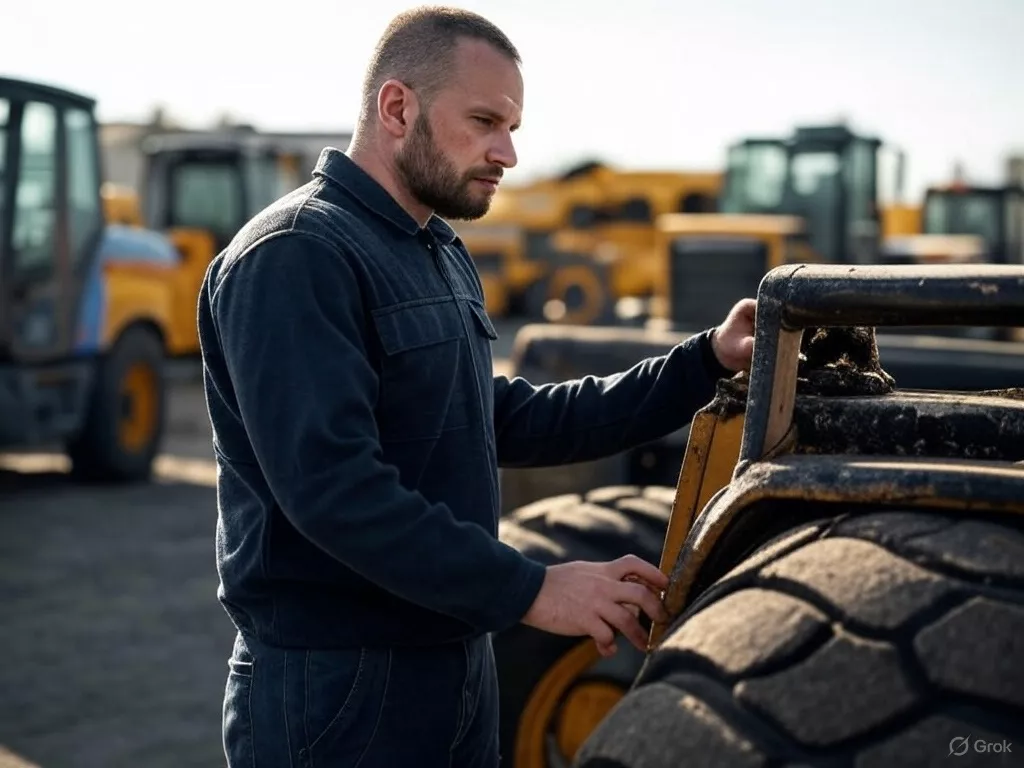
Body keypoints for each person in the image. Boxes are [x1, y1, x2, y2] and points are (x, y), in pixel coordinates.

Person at [197, 5, 756, 767]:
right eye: (487, 121)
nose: (510, 153)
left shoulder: (436, 249)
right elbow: (335, 492)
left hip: (455, 664)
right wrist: (533, 590)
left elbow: (500, 419)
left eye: (514, 126)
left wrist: (704, 362)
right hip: (339, 690)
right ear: (398, 107)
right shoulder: (295, 256)